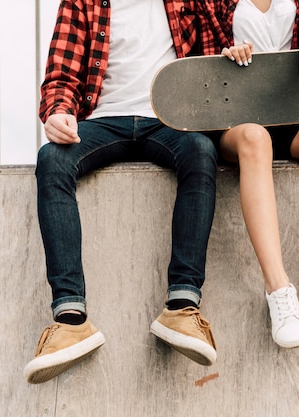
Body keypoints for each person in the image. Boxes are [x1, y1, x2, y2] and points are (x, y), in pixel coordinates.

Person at [24, 0, 218, 384]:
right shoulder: (83, 2)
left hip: (169, 123)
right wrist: (58, 112)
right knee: (52, 159)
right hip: (102, 121)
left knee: (201, 150)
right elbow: (61, 76)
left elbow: (214, 53)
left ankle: (182, 306)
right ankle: (70, 318)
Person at [196, 0, 299, 348]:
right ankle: (279, 291)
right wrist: (224, 56)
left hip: (292, 120)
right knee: (256, 138)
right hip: (239, 125)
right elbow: (197, 57)